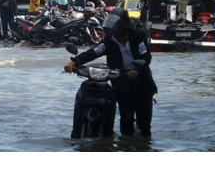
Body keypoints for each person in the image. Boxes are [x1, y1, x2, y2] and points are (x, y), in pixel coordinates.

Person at [64, 8, 158, 137]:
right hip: (122, 82)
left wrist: (136, 70)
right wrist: (74, 62)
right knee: (126, 119)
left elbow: (146, 57)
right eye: (111, 30)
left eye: (116, 30)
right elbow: (94, 52)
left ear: (124, 28)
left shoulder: (138, 37)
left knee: (144, 124)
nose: (113, 32)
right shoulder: (110, 41)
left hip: (142, 83)